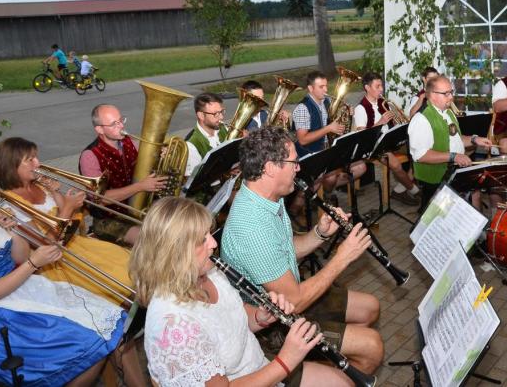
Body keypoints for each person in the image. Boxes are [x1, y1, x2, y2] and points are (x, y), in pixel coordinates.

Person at [130, 196, 354, 387]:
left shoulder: (208, 273)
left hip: (259, 367)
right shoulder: (173, 324)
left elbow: (237, 318)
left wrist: (261, 316)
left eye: (210, 233)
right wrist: (286, 360)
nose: (213, 243)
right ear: (175, 253)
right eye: (202, 239)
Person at [221, 127, 384, 376]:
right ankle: (331, 375)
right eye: (293, 162)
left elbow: (285, 251)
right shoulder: (251, 227)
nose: (298, 168)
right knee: (372, 347)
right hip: (272, 325)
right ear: (270, 167)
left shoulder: (267, 199)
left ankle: (330, 363)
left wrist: (319, 233)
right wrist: (342, 257)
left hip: (287, 293)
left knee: (370, 307)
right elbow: (294, 302)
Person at [0, 154, 138, 386]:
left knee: (114, 324)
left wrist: (12, 231)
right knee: (92, 339)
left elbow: (19, 257)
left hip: (21, 290)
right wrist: (33, 264)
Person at [79, 104, 168, 245]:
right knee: (151, 241)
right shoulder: (90, 156)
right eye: (114, 124)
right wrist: (140, 186)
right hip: (108, 220)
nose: (121, 126)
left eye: (121, 120)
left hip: (136, 209)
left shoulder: (129, 142)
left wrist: (158, 157)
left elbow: (145, 170)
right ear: (99, 129)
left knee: (174, 224)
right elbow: (100, 199)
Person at [408, 76, 493, 209]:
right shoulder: (421, 119)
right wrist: (454, 156)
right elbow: (420, 155)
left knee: (475, 191)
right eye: (446, 93)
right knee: (470, 195)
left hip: (451, 169)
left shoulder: (448, 113)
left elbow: (456, 139)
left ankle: (477, 228)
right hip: (436, 177)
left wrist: (474, 139)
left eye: (451, 92)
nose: (451, 97)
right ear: (431, 95)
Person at [291, 71, 366, 206]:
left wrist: (347, 115)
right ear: (310, 88)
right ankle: (297, 209)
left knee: (360, 167)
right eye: (321, 87)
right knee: (328, 177)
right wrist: (328, 129)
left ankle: (325, 194)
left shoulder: (326, 101)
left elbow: (335, 123)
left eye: (326, 86)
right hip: (307, 155)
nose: (326, 90)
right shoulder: (303, 108)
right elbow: (302, 140)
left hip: (325, 150)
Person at [353, 72, 420, 206]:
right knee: (395, 164)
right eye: (377, 86)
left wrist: (399, 121)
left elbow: (393, 124)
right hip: (374, 145)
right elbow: (362, 135)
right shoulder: (361, 108)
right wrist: (381, 122)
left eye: (381, 86)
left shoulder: (382, 102)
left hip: (389, 140)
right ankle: (414, 190)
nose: (381, 89)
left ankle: (402, 188)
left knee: (418, 149)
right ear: (367, 87)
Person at [185, 92, 230, 177]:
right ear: (201, 115)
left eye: (221, 112)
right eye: (215, 114)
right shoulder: (191, 145)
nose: (221, 117)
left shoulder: (224, 128)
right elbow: (195, 180)